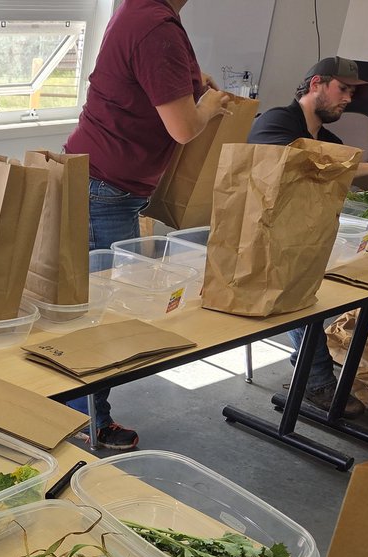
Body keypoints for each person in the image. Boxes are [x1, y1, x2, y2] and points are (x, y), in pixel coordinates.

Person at [64, 0, 232, 450]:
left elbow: (148, 85)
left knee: (94, 306)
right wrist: (209, 105)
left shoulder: (140, 10)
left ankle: (83, 415)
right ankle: (87, 422)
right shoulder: (156, 25)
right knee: (100, 313)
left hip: (103, 180)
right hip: (105, 185)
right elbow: (183, 128)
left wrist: (194, 87)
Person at [248, 56, 368, 417]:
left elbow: (332, 182)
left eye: (352, 93)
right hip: (260, 238)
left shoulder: (329, 139)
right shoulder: (276, 121)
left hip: (310, 235)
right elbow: (298, 163)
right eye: (343, 89)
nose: (348, 99)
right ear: (316, 84)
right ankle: (315, 381)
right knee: (299, 284)